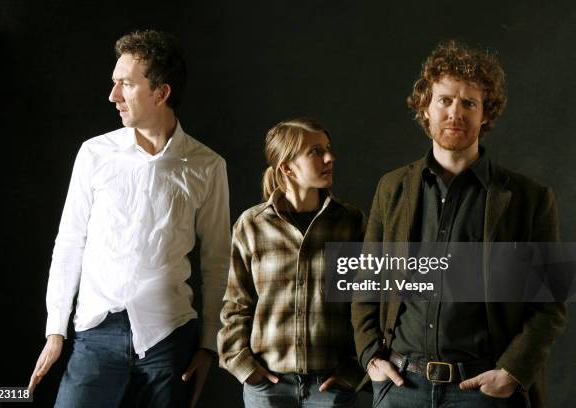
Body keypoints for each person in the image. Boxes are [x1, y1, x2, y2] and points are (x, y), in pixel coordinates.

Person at [351, 40, 566, 408]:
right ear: (426, 108)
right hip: (401, 387)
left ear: (486, 114)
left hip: (482, 392)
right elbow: (365, 278)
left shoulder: (531, 199)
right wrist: (371, 356)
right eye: (445, 100)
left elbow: (550, 305)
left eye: (469, 102)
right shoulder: (392, 188)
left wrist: (512, 372)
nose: (456, 112)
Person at [27, 29, 230, 408]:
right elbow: (70, 243)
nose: (113, 96)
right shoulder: (94, 154)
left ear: (161, 92)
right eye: (114, 83)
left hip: (169, 339)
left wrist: (208, 345)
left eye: (125, 84)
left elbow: (217, 260)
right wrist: (56, 329)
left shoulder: (207, 165)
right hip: (95, 334)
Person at [218, 118, 365, 407]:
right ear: (287, 167)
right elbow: (237, 303)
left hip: (331, 388)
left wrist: (353, 371)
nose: (329, 157)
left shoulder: (350, 223)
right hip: (267, 387)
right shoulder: (252, 224)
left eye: (328, 148)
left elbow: (365, 301)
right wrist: (243, 366)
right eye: (315, 151)